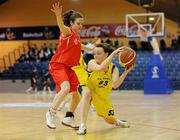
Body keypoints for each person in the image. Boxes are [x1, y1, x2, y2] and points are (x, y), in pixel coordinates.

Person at [46, 1, 99, 129]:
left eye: (82, 23)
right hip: (58, 65)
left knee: (76, 95)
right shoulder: (67, 32)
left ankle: (69, 118)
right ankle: (50, 113)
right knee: (65, 88)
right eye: (78, 23)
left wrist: (92, 48)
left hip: (69, 68)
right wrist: (58, 16)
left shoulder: (76, 37)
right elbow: (61, 26)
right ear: (71, 23)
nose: (81, 25)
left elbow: (82, 46)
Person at [77, 43, 134, 135]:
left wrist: (126, 72)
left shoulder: (113, 69)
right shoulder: (92, 63)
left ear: (106, 54)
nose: (95, 55)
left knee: (110, 120)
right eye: (94, 53)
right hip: (87, 88)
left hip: (102, 96)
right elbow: (100, 68)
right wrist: (113, 54)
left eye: (98, 53)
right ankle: (82, 125)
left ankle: (117, 122)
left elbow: (115, 85)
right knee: (87, 93)